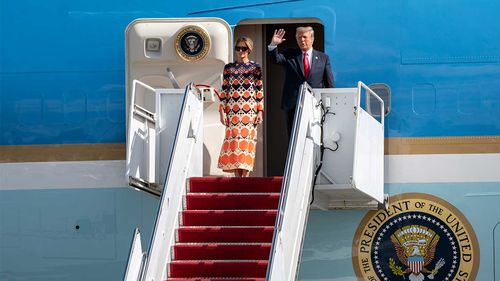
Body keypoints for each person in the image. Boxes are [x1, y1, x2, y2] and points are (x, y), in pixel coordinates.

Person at [268, 26, 335, 136]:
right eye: (299, 37)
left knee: (315, 136)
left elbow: (329, 83)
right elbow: (275, 59)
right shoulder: (290, 54)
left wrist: (330, 103)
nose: (302, 40)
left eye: (305, 37)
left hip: (315, 104)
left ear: (312, 38)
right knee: (293, 137)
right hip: (293, 104)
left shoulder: (323, 58)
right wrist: (273, 45)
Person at [217, 37, 264, 177]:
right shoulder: (229, 68)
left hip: (249, 110)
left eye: (243, 48)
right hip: (232, 110)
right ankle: (239, 178)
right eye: (238, 48)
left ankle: (245, 177)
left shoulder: (255, 68)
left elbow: (259, 90)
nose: (240, 51)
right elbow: (224, 90)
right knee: (234, 143)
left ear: (249, 49)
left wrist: (260, 111)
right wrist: (221, 110)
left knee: (247, 142)